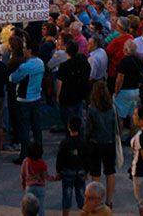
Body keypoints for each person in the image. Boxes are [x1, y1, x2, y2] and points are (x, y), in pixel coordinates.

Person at [10, 39, 46, 164]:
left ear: (29, 50)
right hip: (36, 97)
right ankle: (38, 152)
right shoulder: (40, 63)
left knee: (24, 129)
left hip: (24, 99)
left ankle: (24, 155)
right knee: (36, 127)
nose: (23, 50)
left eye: (25, 48)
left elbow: (13, 78)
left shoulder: (25, 66)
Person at [84, 82, 118, 210]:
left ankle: (96, 201)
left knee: (95, 174)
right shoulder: (112, 108)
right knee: (110, 172)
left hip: (95, 143)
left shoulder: (92, 108)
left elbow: (88, 129)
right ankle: (109, 201)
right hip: (109, 143)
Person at [57, 116, 89, 216]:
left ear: (68, 127)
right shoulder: (83, 142)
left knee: (67, 195)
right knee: (81, 196)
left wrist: (59, 171)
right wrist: (86, 170)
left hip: (67, 171)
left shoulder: (64, 142)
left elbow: (60, 158)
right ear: (81, 127)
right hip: (80, 171)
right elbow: (87, 158)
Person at [21, 141, 53, 216]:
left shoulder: (26, 161)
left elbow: (22, 174)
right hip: (40, 187)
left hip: (29, 186)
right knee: (41, 206)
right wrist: (55, 178)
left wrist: (23, 184)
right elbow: (46, 176)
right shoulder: (42, 163)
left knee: (28, 207)